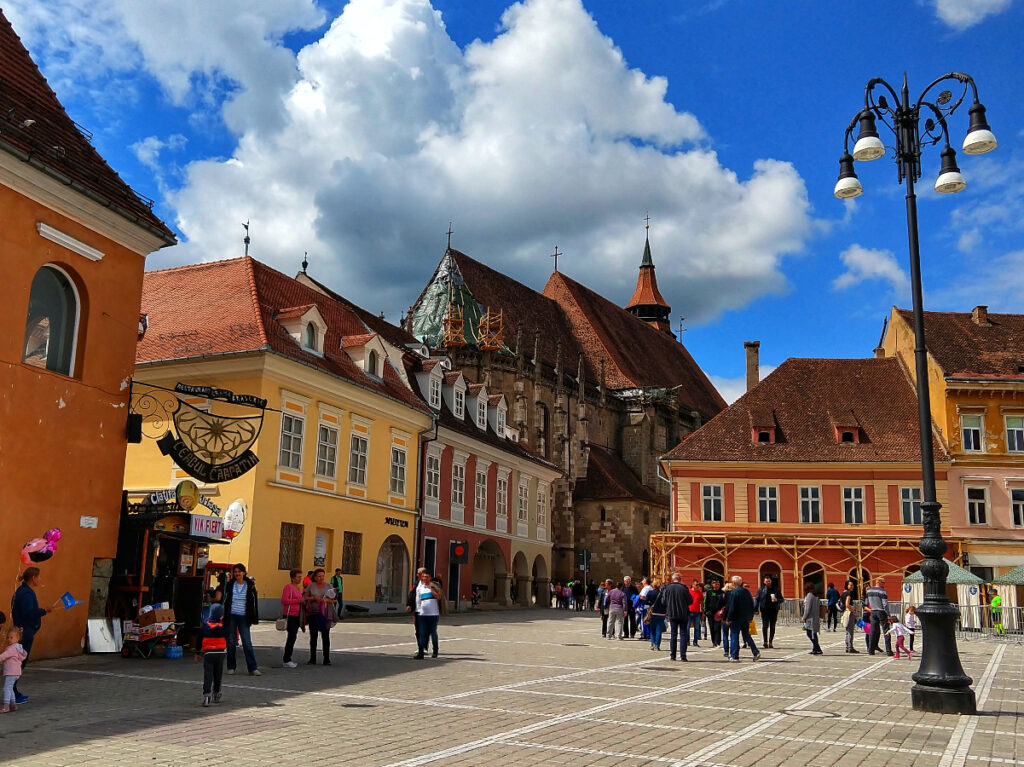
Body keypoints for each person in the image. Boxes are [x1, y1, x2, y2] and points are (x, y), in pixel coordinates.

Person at [10, 567, 59, 704]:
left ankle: (13, 690)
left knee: (18, 662)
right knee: (19, 663)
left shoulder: (22, 591)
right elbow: (29, 613)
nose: (40, 579)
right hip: (25, 632)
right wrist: (44, 610)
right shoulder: (26, 594)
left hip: (22, 631)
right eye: (39, 577)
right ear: (33, 578)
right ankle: (12, 692)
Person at [222, 563, 261, 676]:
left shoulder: (250, 585)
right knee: (231, 642)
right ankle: (231, 667)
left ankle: (253, 668)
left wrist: (254, 617)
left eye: (239, 571)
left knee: (247, 643)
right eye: (235, 572)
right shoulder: (230, 585)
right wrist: (223, 613)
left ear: (244, 572)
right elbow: (225, 599)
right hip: (231, 616)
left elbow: (254, 601)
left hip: (244, 616)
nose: (237, 573)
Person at [195, 604, 227, 707]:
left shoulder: (206, 626)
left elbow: (199, 640)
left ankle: (207, 696)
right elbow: (229, 637)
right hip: (221, 653)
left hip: (208, 653)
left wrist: (198, 652)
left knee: (208, 675)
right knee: (218, 674)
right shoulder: (224, 627)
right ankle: (217, 693)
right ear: (221, 615)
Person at [723, 575, 760, 662]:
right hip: (745, 618)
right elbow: (752, 604)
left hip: (736, 618)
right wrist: (750, 616)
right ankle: (756, 652)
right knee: (747, 635)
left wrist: (728, 618)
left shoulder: (734, 592)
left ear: (734, 583)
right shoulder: (747, 592)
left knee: (734, 636)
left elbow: (731, 607)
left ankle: (734, 655)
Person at [304, 568, 337, 665]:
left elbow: (334, 600)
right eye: (319, 576)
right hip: (313, 613)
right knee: (313, 636)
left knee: (325, 636)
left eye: (322, 576)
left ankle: (326, 659)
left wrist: (326, 600)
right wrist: (313, 598)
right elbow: (305, 597)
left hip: (325, 614)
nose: (321, 578)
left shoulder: (328, 586)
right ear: (315, 577)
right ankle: (312, 658)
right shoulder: (311, 586)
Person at [412, 568, 444, 658]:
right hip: (422, 614)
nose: (424, 578)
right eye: (423, 577)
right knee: (422, 633)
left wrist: (431, 589)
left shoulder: (434, 586)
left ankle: (435, 650)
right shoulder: (420, 588)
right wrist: (417, 611)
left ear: (430, 577)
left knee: (433, 632)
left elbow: (439, 597)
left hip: (433, 614)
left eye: (426, 577)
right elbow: (418, 601)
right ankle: (421, 653)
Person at [662, 573, 692, 661]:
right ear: (680, 579)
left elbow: (663, 601)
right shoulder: (684, 588)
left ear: (672, 579)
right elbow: (690, 601)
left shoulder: (667, 588)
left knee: (673, 634)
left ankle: (673, 655)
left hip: (672, 613)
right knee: (683, 634)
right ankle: (683, 656)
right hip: (683, 614)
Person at [0, 625, 27, 713]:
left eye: (11, 637)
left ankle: (6, 706)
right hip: (15, 672)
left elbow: (3, 656)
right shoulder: (18, 648)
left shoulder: (12, 649)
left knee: (6, 688)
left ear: (17, 638)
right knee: (10, 688)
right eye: (8, 637)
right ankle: (13, 704)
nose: (9, 639)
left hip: (11, 672)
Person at [280, 569, 304, 668]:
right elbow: (284, 600)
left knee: (293, 636)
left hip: (297, 615)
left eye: (300, 577)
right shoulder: (288, 587)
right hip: (290, 615)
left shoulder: (298, 588)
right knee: (292, 636)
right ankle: (287, 659)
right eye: (298, 577)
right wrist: (298, 600)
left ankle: (288, 658)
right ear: (293, 578)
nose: (300, 579)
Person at [864, 578, 893, 656]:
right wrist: (888, 615)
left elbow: (866, 602)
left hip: (873, 611)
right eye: (884, 583)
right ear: (879, 582)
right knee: (886, 630)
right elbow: (885, 604)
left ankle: (871, 650)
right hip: (881, 611)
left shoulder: (869, 591)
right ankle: (889, 650)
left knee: (872, 631)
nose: (884, 584)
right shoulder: (882, 591)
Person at [754, 576, 783, 649]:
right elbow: (757, 599)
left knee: (772, 626)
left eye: (769, 581)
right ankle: (765, 642)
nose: (768, 582)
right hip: (764, 610)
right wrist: (756, 609)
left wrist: (777, 600)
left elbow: (781, 599)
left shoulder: (776, 589)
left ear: (771, 581)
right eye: (766, 581)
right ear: (764, 582)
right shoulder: (761, 589)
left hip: (773, 610)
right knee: (765, 626)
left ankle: (770, 642)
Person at [802, 582, 823, 655]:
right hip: (815, 617)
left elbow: (807, 609)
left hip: (810, 618)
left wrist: (804, 617)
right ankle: (815, 649)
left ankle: (817, 648)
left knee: (809, 633)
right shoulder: (816, 596)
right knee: (813, 634)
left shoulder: (809, 596)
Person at [704, 579, 725, 648]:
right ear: (712, 585)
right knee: (712, 628)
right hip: (710, 613)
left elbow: (724, 603)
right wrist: (706, 611)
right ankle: (713, 642)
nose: (716, 585)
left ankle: (718, 642)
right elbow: (706, 602)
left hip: (718, 613)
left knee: (717, 628)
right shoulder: (709, 592)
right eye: (715, 584)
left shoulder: (722, 593)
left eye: (718, 584)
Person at [840, 580, 860, 654]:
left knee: (847, 631)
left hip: (845, 613)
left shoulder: (843, 593)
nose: (852, 587)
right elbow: (847, 604)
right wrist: (854, 611)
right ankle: (850, 647)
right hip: (849, 613)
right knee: (850, 631)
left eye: (852, 585)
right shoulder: (848, 594)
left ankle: (847, 647)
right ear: (847, 585)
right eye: (850, 585)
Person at [647, 579, 667, 651]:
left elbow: (646, 601)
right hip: (661, 613)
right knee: (659, 630)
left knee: (652, 629)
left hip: (653, 612)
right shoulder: (662, 593)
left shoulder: (650, 592)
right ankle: (657, 645)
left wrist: (650, 604)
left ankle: (652, 643)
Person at [687, 580, 703, 647]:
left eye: (698, 585)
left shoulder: (699, 593)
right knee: (687, 627)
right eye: (696, 585)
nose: (697, 586)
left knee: (697, 628)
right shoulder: (689, 592)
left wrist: (702, 611)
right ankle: (687, 641)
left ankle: (695, 641)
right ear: (693, 585)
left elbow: (701, 602)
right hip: (689, 611)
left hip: (697, 612)